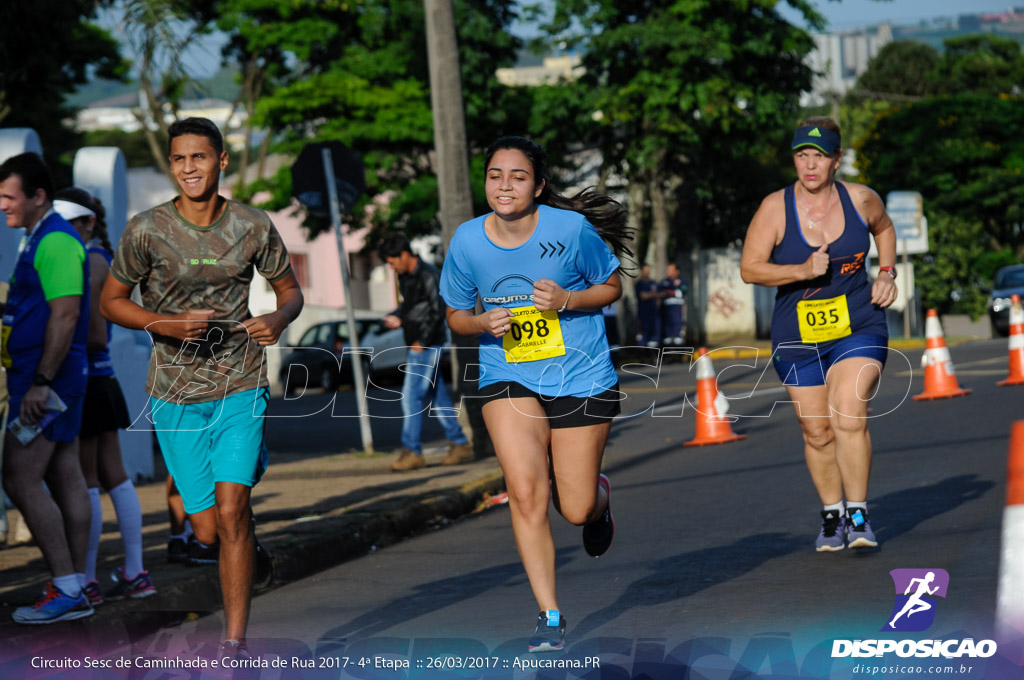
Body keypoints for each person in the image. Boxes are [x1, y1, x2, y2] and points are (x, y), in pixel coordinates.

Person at [100, 117, 303, 655]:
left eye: (200, 157)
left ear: (221, 161)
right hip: (173, 392)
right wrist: (163, 323)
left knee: (232, 509)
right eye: (179, 159)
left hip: (240, 379)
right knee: (209, 530)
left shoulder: (252, 225)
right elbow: (111, 302)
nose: (190, 168)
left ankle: (235, 644)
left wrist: (278, 321)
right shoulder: (146, 229)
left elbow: (290, 292)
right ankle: (249, 551)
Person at [439, 136, 632, 652]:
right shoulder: (466, 241)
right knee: (525, 492)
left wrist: (568, 299)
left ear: (538, 185)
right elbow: (456, 315)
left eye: (518, 176)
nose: (505, 185)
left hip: (581, 375)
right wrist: (480, 320)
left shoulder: (570, 229)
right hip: (508, 374)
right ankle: (549, 615)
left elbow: (612, 287)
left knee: (573, 507)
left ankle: (599, 499)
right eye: (495, 175)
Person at [740, 116, 898, 552]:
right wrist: (800, 270)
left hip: (857, 325)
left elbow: (884, 229)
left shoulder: (862, 199)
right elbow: (750, 268)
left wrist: (886, 273)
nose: (809, 165)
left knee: (849, 412)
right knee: (817, 431)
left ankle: (860, 512)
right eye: (801, 155)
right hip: (797, 336)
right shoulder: (775, 208)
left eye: (819, 156)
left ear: (837, 160)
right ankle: (833, 515)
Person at [0, 153, 94, 623]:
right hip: (53, 381)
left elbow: (67, 314)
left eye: (8, 197)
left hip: (46, 385)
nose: (2, 206)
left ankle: (68, 587)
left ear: (38, 196)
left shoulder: (55, 241)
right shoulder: (39, 236)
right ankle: (77, 583)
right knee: (65, 474)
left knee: (19, 476)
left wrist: (41, 381)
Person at [53, 188, 155, 605]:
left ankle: (88, 578)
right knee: (115, 477)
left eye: (67, 224)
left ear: (87, 223)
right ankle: (134, 572)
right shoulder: (99, 258)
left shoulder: (90, 261)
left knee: (89, 480)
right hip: (103, 380)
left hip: (90, 381)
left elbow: (95, 334)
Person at [378, 233, 473, 472]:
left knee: (411, 398)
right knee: (438, 397)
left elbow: (437, 310)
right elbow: (411, 305)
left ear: (404, 255)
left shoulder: (429, 275)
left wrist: (423, 339)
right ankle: (460, 444)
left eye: (392, 262)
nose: (391, 267)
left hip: (426, 345)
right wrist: (398, 316)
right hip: (418, 343)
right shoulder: (408, 277)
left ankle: (412, 451)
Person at [658, 263, 687, 346]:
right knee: (667, 337)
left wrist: (668, 293)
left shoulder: (682, 281)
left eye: (670, 270)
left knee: (678, 336)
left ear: (676, 271)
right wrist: (673, 293)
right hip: (666, 313)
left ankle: (679, 354)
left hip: (677, 312)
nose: (668, 272)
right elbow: (660, 293)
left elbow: (682, 292)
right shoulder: (664, 282)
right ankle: (667, 356)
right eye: (668, 270)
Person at [634, 264, 660, 347]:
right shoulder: (639, 284)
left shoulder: (653, 283)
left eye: (648, 271)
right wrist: (652, 294)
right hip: (643, 314)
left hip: (653, 313)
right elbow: (643, 296)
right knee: (643, 335)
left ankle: (652, 356)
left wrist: (649, 294)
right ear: (642, 272)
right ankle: (643, 355)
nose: (647, 273)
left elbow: (658, 295)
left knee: (653, 336)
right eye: (645, 271)